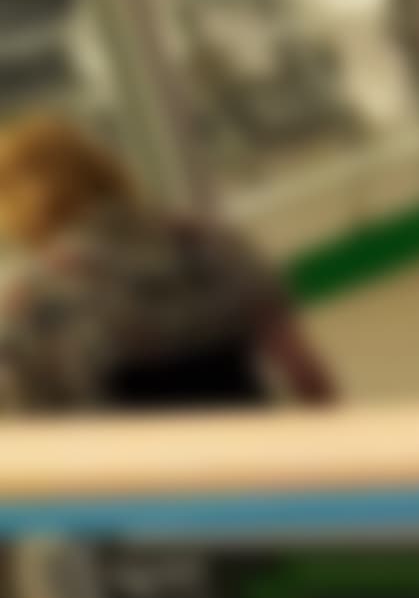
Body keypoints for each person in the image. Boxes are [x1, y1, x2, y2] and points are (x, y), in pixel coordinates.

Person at [0, 121, 329, 413]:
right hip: (250, 455)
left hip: (139, 474)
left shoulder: (33, 301)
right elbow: (305, 374)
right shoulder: (206, 243)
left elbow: (38, 424)